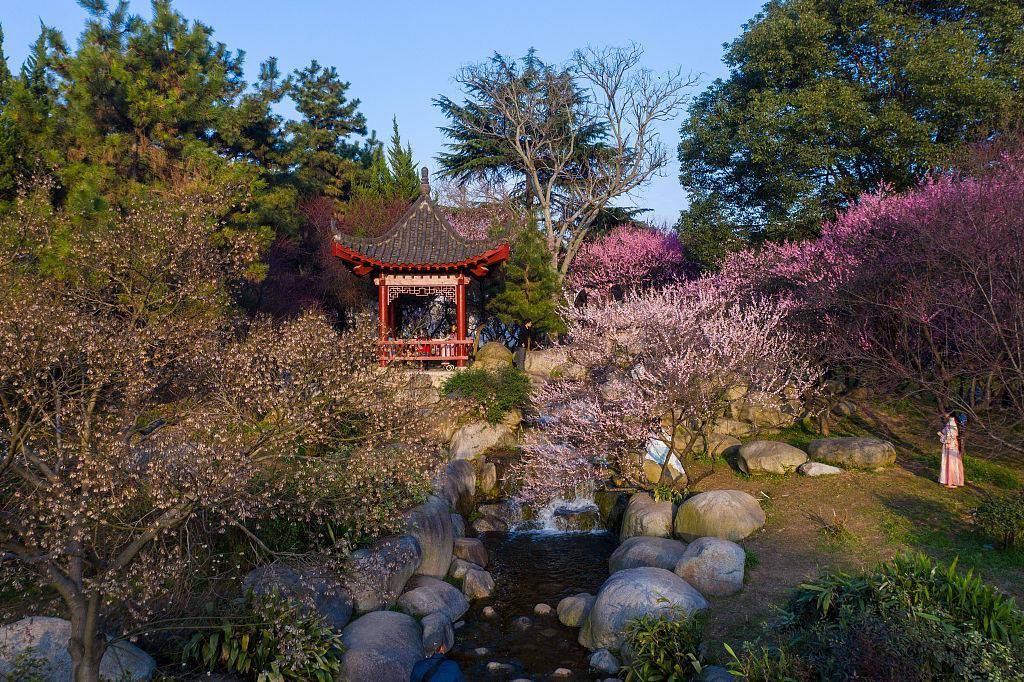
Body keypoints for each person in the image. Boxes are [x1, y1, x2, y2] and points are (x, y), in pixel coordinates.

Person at [938, 412, 965, 488]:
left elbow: (950, 436)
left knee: (950, 462)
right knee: (952, 461)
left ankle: (950, 481)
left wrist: (942, 437)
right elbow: (945, 432)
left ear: (949, 414)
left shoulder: (951, 423)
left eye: (946, 412)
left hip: (950, 445)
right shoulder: (952, 422)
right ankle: (951, 480)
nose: (944, 414)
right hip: (953, 445)